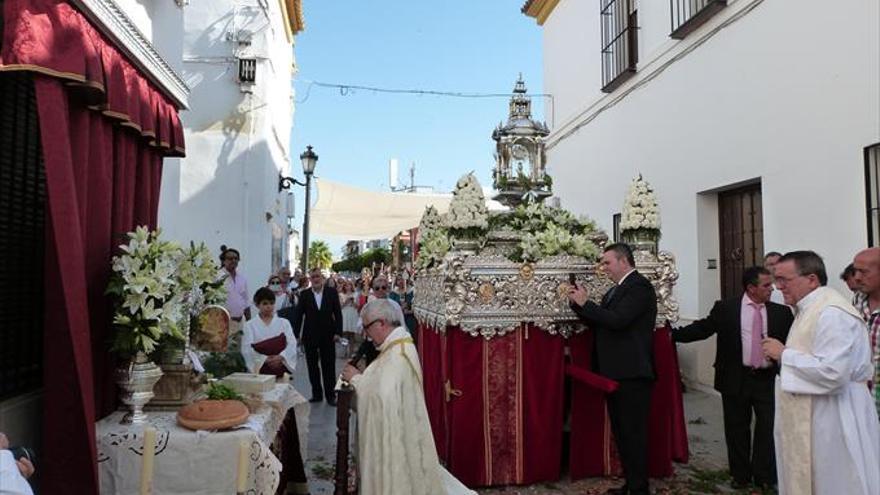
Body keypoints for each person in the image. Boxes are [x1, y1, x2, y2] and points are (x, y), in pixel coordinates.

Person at [761, 251, 880, 495]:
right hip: (821, 411)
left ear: (812, 279)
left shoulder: (831, 313)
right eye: (776, 279)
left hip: (835, 415)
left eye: (784, 279)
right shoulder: (810, 308)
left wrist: (784, 355)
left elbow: (833, 372)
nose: (777, 286)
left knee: (837, 481)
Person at [672, 266, 793, 489]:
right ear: (751, 288)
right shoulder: (727, 308)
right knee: (737, 428)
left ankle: (764, 476)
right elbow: (704, 328)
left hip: (767, 379)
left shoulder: (782, 313)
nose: (772, 289)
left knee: (767, 428)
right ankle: (740, 476)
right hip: (736, 378)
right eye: (766, 285)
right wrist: (671, 335)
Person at [340, 299, 476, 495]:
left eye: (367, 327)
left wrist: (356, 380)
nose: (366, 334)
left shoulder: (398, 355)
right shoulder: (396, 346)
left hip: (397, 441)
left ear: (381, 323)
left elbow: (383, 398)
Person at [568, 243, 656, 495]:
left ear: (624, 262)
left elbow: (618, 321)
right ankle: (632, 484)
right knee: (623, 434)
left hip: (632, 373)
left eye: (607, 262)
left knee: (633, 435)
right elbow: (600, 321)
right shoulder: (615, 290)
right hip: (616, 372)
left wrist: (587, 304)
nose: (603, 267)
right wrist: (579, 304)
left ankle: (639, 489)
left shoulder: (638, 287)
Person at [292, 268, 343, 405]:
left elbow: (337, 313)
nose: (316, 279)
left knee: (329, 366)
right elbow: (299, 315)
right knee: (312, 366)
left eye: (318, 276)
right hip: (310, 335)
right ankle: (317, 394)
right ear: (310, 279)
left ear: (323, 278)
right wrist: (296, 335)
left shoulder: (331, 293)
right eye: (313, 277)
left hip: (328, 335)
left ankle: (331, 396)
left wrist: (338, 332)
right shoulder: (305, 294)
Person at [241, 287, 297, 376]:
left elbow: (292, 344)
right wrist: (265, 359)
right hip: (260, 369)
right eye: (265, 303)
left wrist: (281, 357)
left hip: (280, 366)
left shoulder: (284, 323)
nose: (269, 306)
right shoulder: (249, 325)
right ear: (257, 304)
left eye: (271, 303)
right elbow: (246, 349)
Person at [852, 248, 880, 416]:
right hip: (862, 399)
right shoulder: (857, 300)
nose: (856, 277)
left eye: (863, 272)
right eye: (855, 271)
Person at [219, 246, 251, 351]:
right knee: (222, 355)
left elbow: (246, 302)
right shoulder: (217, 277)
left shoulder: (242, 278)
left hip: (239, 323)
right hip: (223, 324)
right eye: (230, 258)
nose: (233, 260)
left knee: (237, 356)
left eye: (236, 258)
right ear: (223, 261)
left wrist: (249, 323)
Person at [389, 275, 418, 343]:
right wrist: (400, 308)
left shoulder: (412, 291)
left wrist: (410, 311)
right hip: (398, 320)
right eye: (398, 279)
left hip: (409, 319)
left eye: (402, 279)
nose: (401, 281)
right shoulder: (393, 293)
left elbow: (417, 307)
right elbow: (390, 307)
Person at [339, 279, 360, 357]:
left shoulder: (356, 294)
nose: (348, 287)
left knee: (352, 334)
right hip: (344, 314)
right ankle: (344, 352)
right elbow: (340, 306)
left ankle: (351, 352)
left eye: (349, 285)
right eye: (346, 285)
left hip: (352, 314)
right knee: (344, 334)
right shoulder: (341, 294)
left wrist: (353, 302)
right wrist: (346, 301)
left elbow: (358, 306)